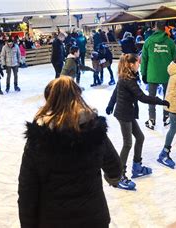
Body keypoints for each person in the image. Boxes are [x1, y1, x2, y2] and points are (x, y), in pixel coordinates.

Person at [18, 76, 122, 227]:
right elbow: (115, 167)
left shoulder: (38, 138)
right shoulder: (94, 130)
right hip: (93, 217)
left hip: (52, 219)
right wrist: (112, 178)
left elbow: (27, 190)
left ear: (50, 99)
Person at [106, 53, 170, 190]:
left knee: (140, 137)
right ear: (130, 64)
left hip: (128, 112)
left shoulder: (129, 77)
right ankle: (119, 175)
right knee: (128, 143)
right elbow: (142, 97)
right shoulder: (127, 79)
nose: (139, 64)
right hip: (124, 114)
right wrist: (161, 101)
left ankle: (137, 166)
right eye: (137, 63)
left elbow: (116, 91)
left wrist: (110, 105)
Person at [141, 21, 176, 130]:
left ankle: (152, 120)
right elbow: (175, 59)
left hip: (152, 74)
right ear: (164, 28)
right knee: (167, 97)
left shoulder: (148, 41)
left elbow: (144, 59)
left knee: (151, 98)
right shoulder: (170, 42)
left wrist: (143, 73)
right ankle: (166, 117)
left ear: (156, 27)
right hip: (167, 74)